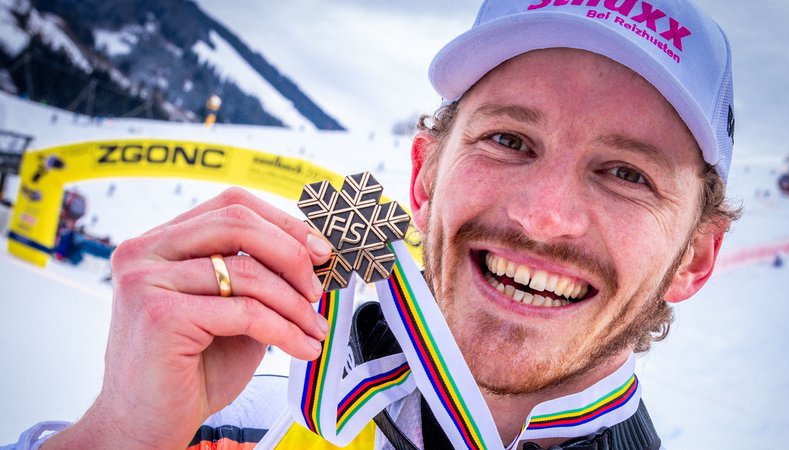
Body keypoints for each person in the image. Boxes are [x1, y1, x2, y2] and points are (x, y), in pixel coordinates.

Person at [6, 0, 740, 448]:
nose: (541, 215)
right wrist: (118, 436)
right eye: (509, 140)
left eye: (626, 174)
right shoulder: (222, 420)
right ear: (422, 177)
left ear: (695, 258)